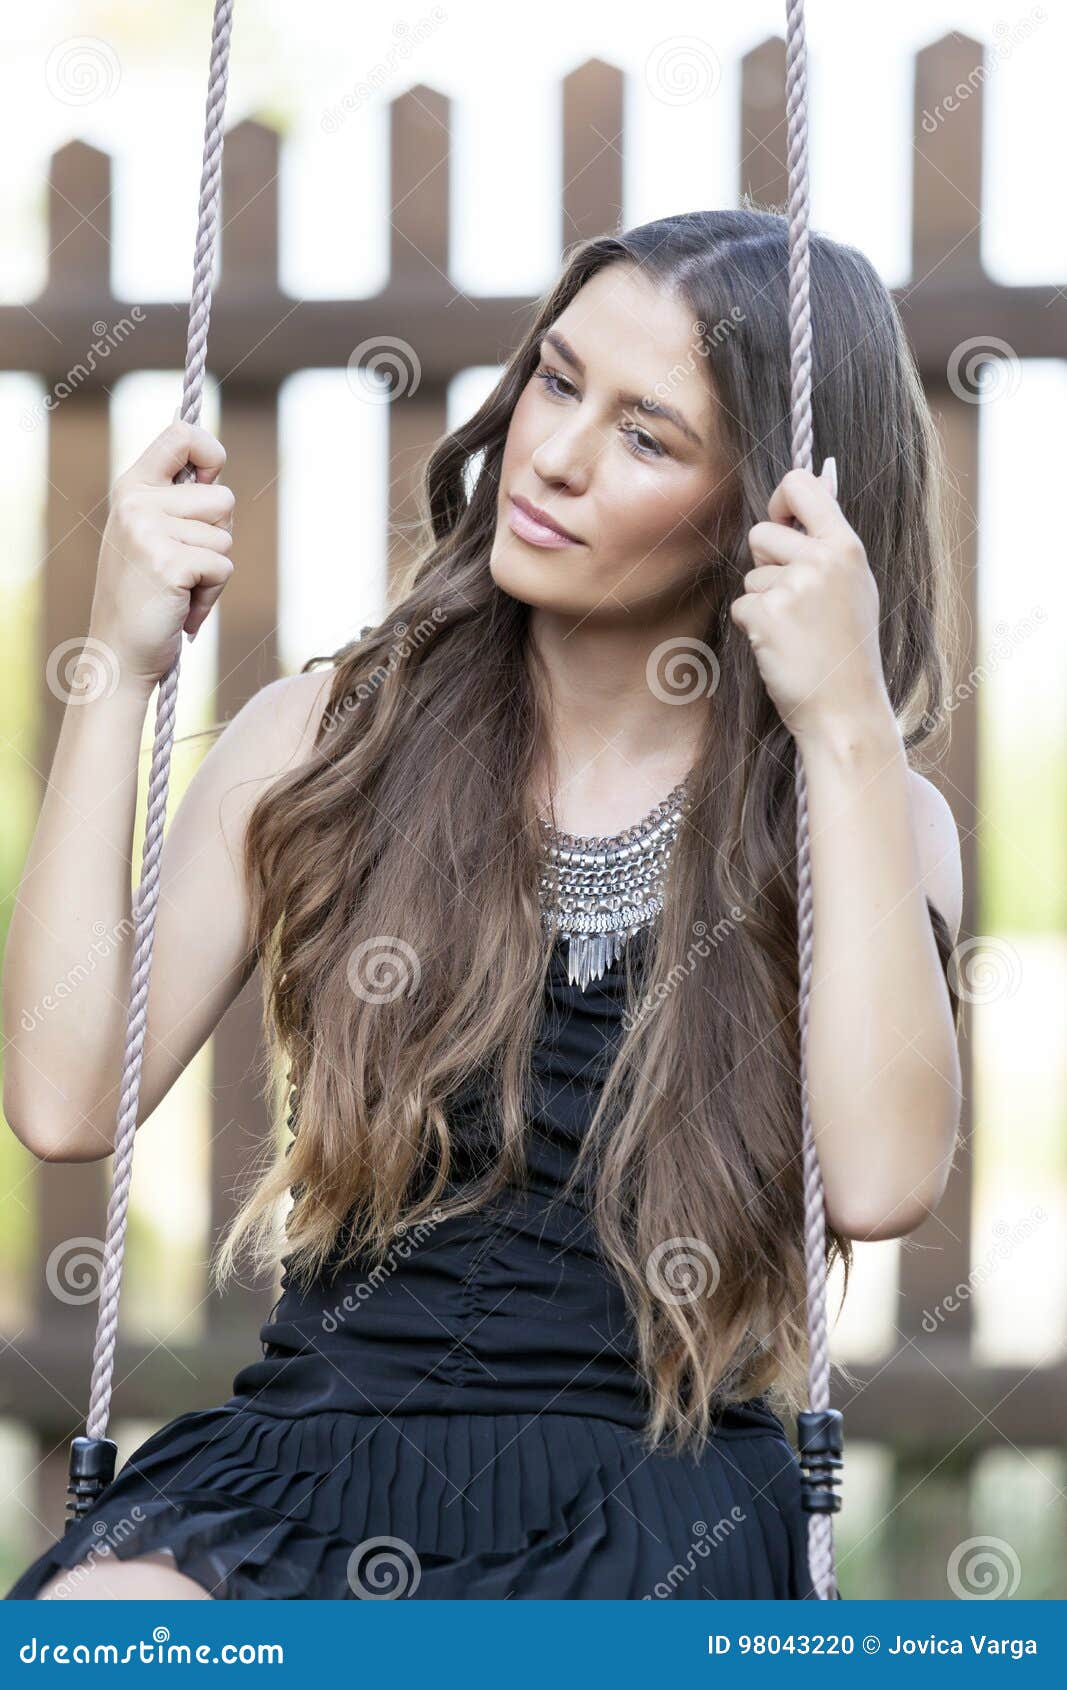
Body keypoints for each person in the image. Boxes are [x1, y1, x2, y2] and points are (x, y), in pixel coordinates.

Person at [3, 208, 964, 1600]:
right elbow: (62, 1093)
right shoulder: (332, 733)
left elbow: (879, 1183)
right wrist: (117, 670)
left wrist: (850, 728)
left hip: (652, 1508)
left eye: (647, 435)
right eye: (557, 381)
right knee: (99, 1629)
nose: (556, 453)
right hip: (302, 1468)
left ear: (764, 515)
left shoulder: (853, 812)